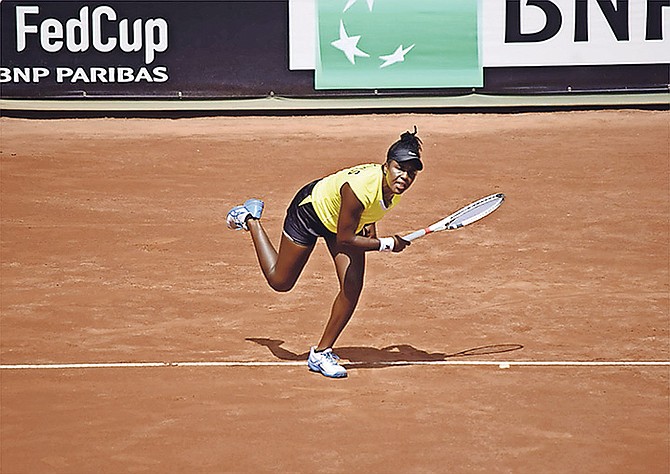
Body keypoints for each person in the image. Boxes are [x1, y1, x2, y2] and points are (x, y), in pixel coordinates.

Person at [226, 127, 424, 378]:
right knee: (280, 281)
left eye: (411, 173)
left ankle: (320, 353)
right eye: (400, 168)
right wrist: (387, 244)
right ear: (386, 165)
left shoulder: (393, 187)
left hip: (341, 220)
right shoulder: (361, 187)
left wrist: (371, 229)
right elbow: (346, 238)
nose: (405, 176)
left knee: (352, 286)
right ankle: (249, 218)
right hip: (310, 212)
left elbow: (366, 211)